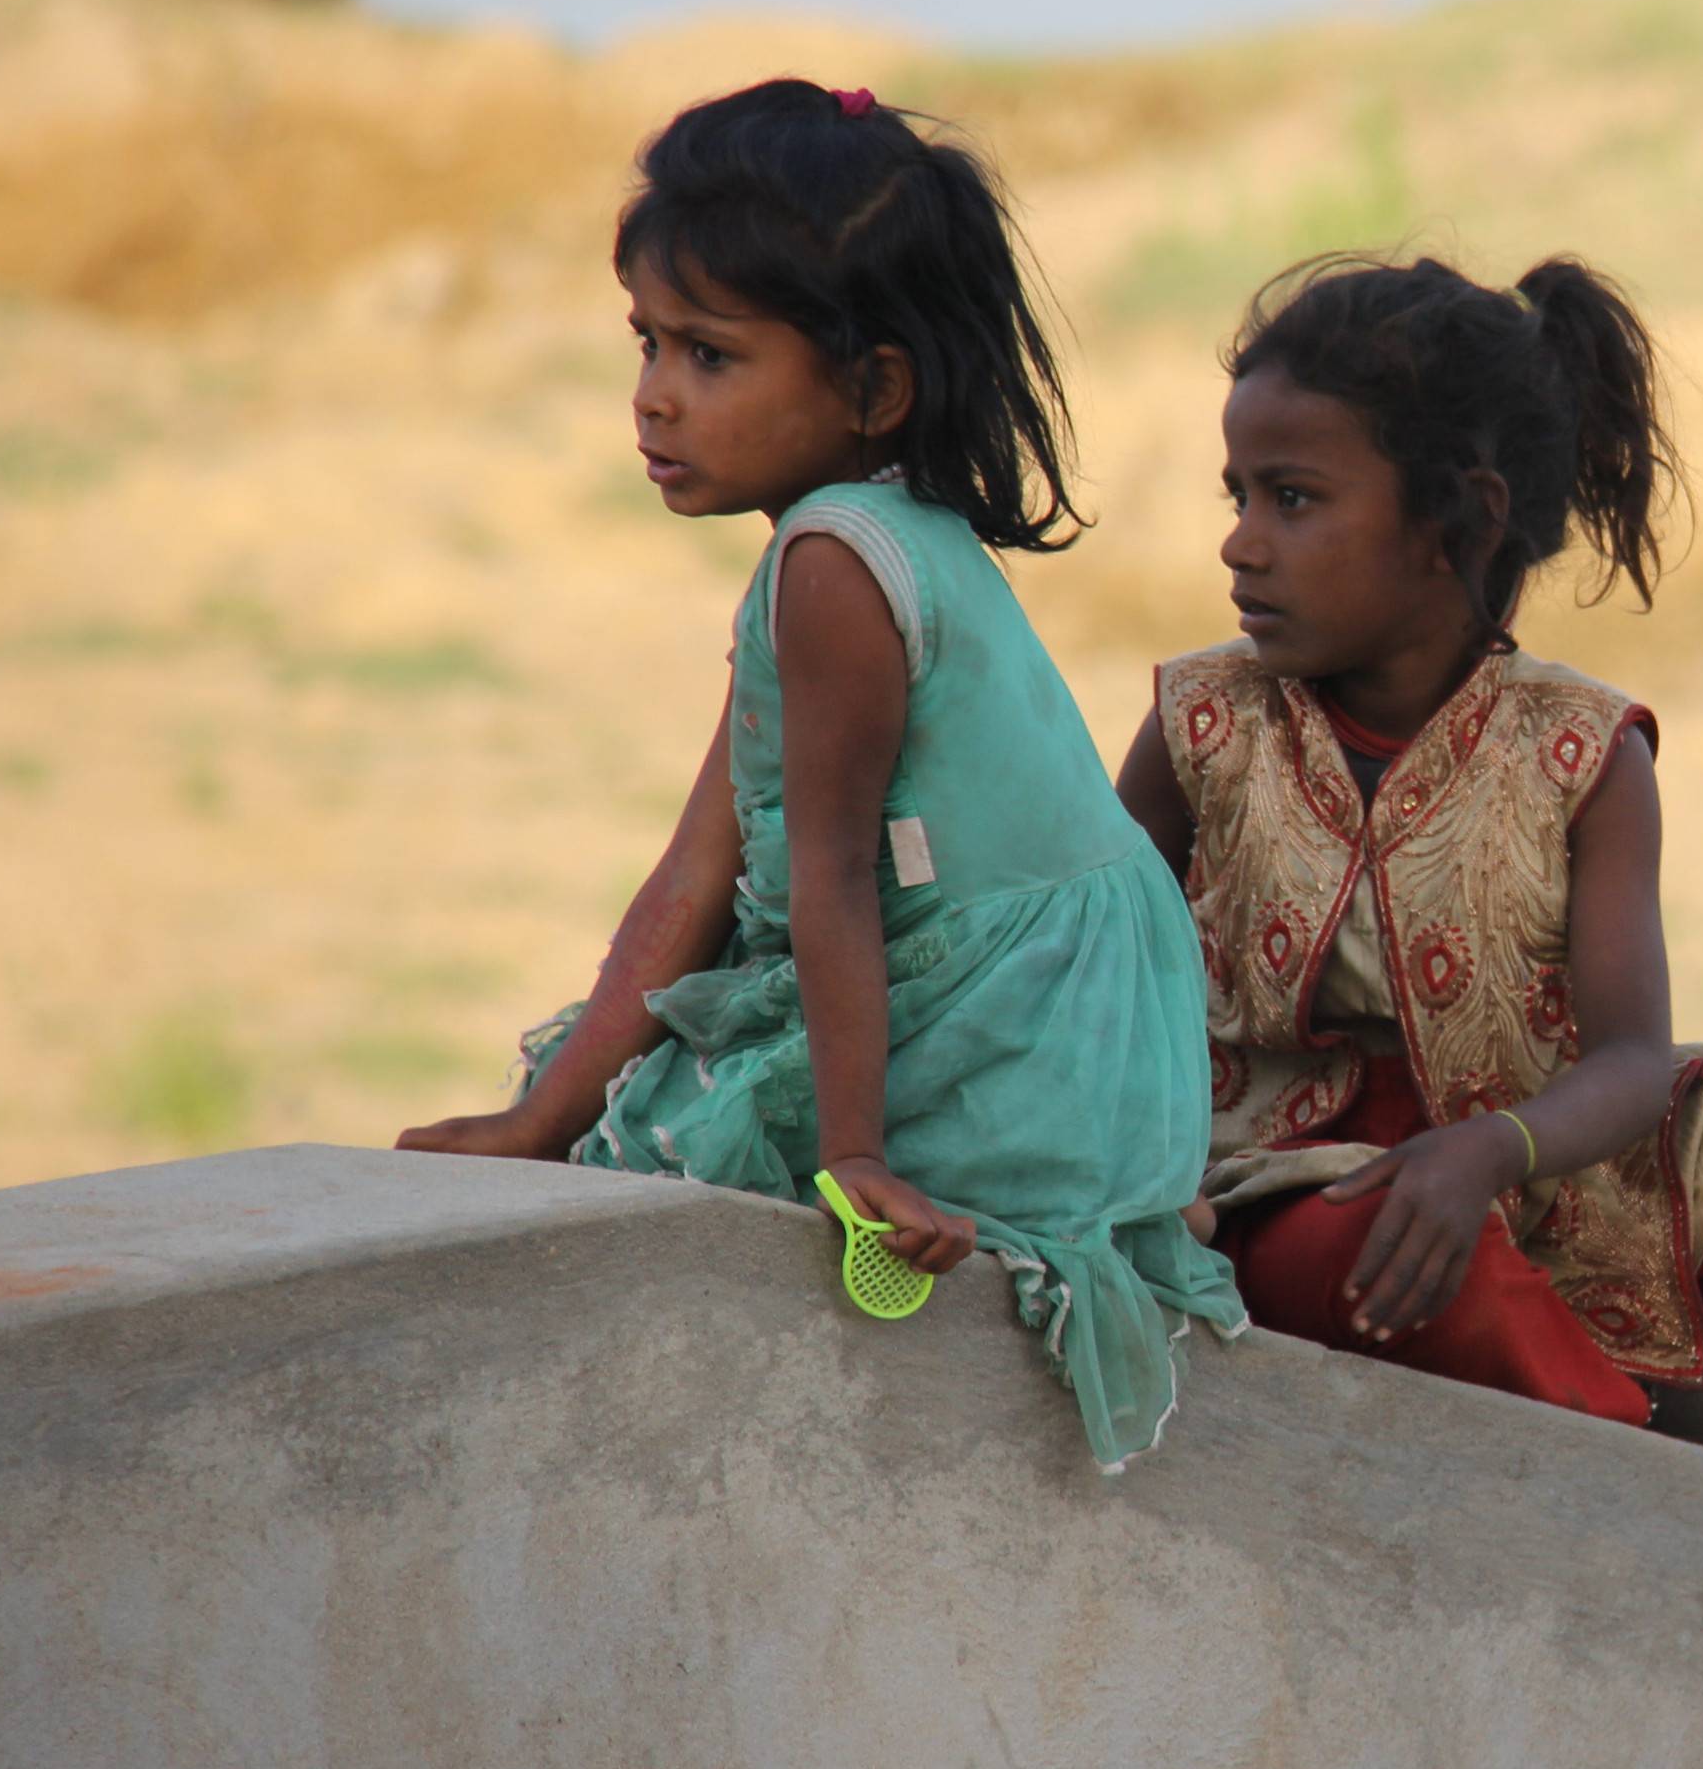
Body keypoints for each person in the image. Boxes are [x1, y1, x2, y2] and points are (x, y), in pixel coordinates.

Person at [401, 79, 1240, 1471]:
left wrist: (854, 1156)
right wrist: (540, 1118)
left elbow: (834, 878)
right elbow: (704, 860)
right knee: (611, 1105)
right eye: (647, 342)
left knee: (673, 1143)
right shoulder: (875, 531)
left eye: (711, 355)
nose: (654, 396)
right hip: (1084, 1016)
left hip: (1013, 1024)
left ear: (874, 388)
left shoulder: (835, 566)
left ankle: (1020, 1173)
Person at [1114, 254, 1703, 1468]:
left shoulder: (1586, 750)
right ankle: (1658, 1416)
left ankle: (1591, 1357)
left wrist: (1491, 1148)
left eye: (1292, 499)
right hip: (1286, 1195)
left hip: (1544, 1162)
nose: (1240, 545)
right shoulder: (1201, 722)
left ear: (1458, 520)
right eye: (1238, 496)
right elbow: (1094, 974)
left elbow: (1628, 1063)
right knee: (1405, 1259)